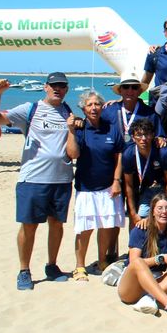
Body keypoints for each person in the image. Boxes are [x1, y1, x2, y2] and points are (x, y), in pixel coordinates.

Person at [0, 74, 75, 290]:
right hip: (33, 179)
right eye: (54, 85)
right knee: (29, 226)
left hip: (62, 179)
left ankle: (52, 265)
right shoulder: (31, 109)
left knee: (56, 224)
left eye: (62, 86)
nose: (58, 89)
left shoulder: (69, 112)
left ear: (66, 89)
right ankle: (24, 270)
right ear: (45, 87)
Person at [65, 90, 124, 281]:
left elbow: (119, 156)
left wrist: (116, 181)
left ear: (102, 107)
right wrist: (71, 131)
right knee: (85, 228)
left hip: (108, 187)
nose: (93, 108)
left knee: (106, 226)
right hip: (86, 187)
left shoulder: (111, 127)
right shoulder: (80, 129)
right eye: (89, 105)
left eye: (97, 104)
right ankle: (79, 266)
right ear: (83, 108)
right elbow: (73, 154)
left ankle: (101, 261)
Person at [117, 194, 167, 322]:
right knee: (139, 262)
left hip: (157, 280)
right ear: (152, 211)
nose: (164, 212)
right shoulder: (141, 230)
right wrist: (160, 258)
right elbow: (133, 262)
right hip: (132, 285)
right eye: (160, 208)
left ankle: (149, 298)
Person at [122, 118, 167, 225]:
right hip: (144, 192)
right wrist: (133, 213)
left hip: (163, 190)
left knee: (164, 223)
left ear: (153, 135)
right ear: (133, 137)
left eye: (146, 134)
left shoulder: (163, 152)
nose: (143, 139)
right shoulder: (128, 155)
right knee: (140, 223)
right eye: (139, 135)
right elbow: (129, 185)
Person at [103, 72, 164, 147]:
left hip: (138, 154)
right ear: (120, 91)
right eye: (126, 87)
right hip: (114, 154)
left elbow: (159, 135)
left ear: (139, 91)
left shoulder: (150, 113)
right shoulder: (109, 110)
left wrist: (160, 139)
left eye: (134, 87)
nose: (130, 90)